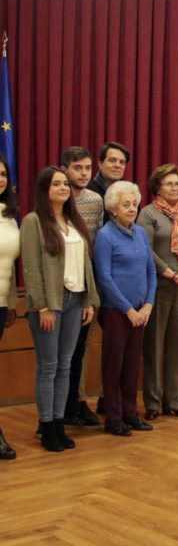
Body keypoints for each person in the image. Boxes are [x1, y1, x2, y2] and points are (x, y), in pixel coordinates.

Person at [21, 167, 98, 452]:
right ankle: (47, 426)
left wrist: (89, 300)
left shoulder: (73, 220)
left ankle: (59, 422)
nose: (64, 188)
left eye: (65, 184)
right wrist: (42, 306)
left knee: (66, 367)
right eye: (57, 184)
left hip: (76, 301)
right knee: (49, 366)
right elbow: (31, 268)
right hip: (50, 303)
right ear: (45, 189)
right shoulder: (33, 221)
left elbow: (86, 263)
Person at [137, 164, 178, 420]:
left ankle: (173, 401)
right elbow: (146, 250)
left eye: (177, 184)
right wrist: (170, 273)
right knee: (154, 345)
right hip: (159, 287)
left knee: (177, 345)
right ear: (157, 187)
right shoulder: (148, 214)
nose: (174, 188)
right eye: (169, 184)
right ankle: (153, 403)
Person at [94, 182, 156, 436]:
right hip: (115, 311)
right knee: (114, 363)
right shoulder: (105, 235)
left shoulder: (141, 233)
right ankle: (113, 417)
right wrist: (129, 310)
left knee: (132, 363)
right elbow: (104, 277)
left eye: (134, 203)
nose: (132, 209)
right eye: (125, 205)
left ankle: (131, 412)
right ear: (112, 208)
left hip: (141, 310)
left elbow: (150, 269)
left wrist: (148, 304)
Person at [59, 146, 104, 427]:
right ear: (64, 169)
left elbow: (95, 245)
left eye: (88, 168)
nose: (84, 173)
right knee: (58, 356)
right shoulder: (56, 197)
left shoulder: (96, 201)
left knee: (78, 350)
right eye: (78, 168)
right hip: (59, 286)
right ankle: (56, 412)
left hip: (86, 285)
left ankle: (74, 405)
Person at [0, 154, 19, 459]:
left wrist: (12, 302)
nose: (0, 179)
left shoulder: (9, 214)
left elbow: (12, 266)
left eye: (3, 173)